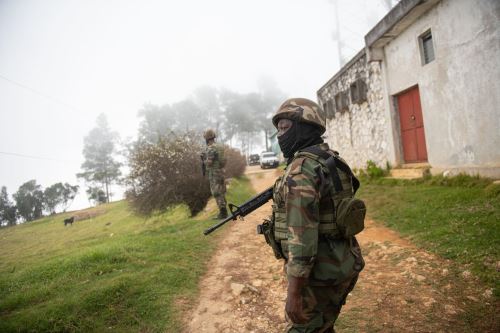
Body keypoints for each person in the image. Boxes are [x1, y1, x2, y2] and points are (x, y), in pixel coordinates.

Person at [269, 98, 364, 333]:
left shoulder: (302, 169)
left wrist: (294, 292)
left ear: (305, 128)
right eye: (278, 129)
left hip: (319, 276)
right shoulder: (330, 158)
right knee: (323, 326)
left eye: (285, 128)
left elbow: (302, 237)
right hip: (343, 264)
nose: (280, 136)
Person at [202, 129, 228, 219]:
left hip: (214, 173)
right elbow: (224, 161)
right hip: (221, 171)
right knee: (222, 191)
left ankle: (223, 213)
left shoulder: (210, 148)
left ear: (207, 138)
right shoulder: (219, 147)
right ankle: (224, 211)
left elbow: (209, 162)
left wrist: (203, 160)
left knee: (216, 192)